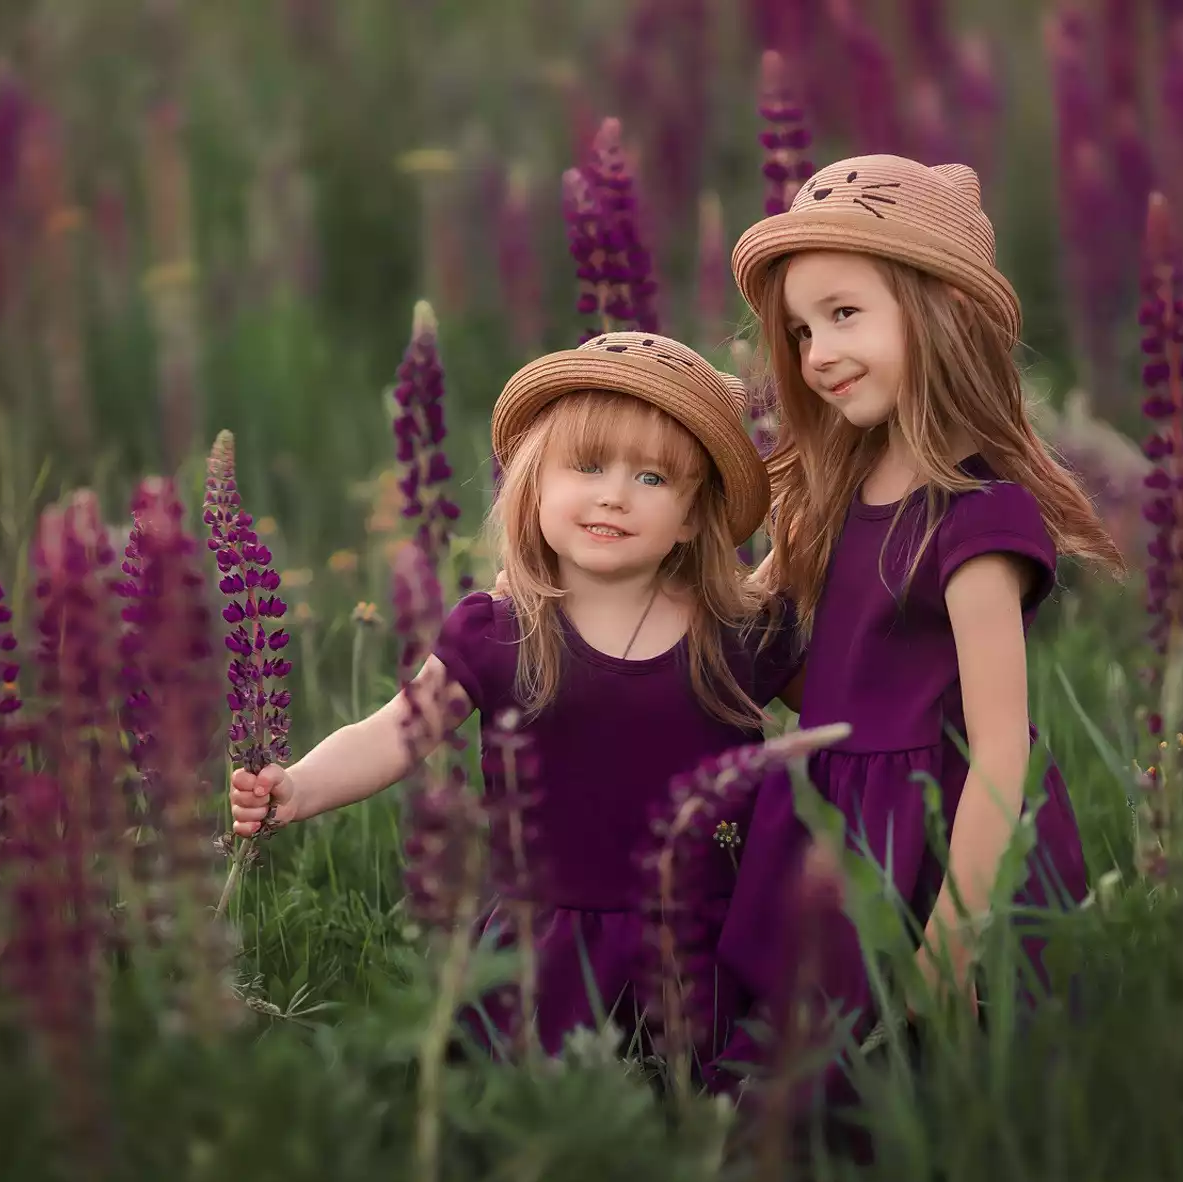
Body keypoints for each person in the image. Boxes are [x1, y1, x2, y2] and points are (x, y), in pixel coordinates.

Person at [230, 331, 804, 1066]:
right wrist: (300, 785)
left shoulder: (739, 635)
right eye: (588, 466)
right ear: (532, 491)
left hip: (702, 945)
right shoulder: (501, 632)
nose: (613, 494)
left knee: (693, 1118)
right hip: (548, 953)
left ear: (695, 517)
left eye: (653, 479)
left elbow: (853, 712)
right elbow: (396, 731)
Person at [711, 155, 1128, 1107]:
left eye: (845, 315)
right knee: (815, 1094)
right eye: (804, 330)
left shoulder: (980, 517)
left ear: (940, 315)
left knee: (941, 1097)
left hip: (939, 840)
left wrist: (952, 934)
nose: (817, 352)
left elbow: (998, 753)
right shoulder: (833, 494)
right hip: (828, 825)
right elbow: (828, 677)